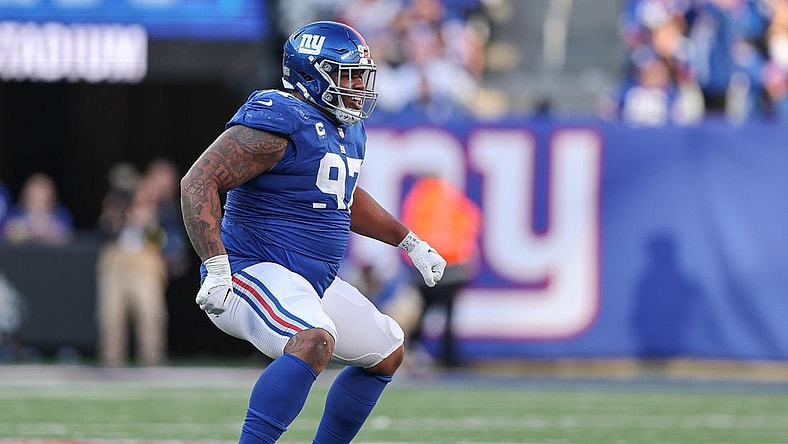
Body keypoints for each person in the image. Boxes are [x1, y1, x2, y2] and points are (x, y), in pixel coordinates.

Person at [179, 21, 447, 444]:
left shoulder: (349, 129)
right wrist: (216, 265)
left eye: (362, 74)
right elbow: (198, 182)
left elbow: (340, 195)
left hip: (307, 281)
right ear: (310, 74)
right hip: (250, 270)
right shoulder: (281, 117)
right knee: (313, 339)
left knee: (387, 349)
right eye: (347, 74)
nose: (359, 84)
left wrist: (408, 241)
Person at [400, 174, 482, 368]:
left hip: (426, 267)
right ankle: (449, 357)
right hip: (453, 268)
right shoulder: (451, 197)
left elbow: (409, 231)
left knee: (421, 313)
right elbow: (470, 220)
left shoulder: (419, 198)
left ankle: (412, 352)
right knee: (448, 315)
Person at [95, 169, 169, 367]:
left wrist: (146, 222)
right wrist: (118, 214)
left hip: (144, 265)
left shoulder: (157, 211)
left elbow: (162, 243)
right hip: (116, 264)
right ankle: (111, 362)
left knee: (150, 315)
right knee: (111, 317)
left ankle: (152, 361)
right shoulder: (114, 207)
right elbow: (105, 233)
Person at [2, 173, 73, 246]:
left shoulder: (61, 215)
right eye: (34, 200)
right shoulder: (15, 213)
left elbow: (66, 237)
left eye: (43, 201)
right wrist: (30, 230)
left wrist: (48, 229)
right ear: (26, 198)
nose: (38, 206)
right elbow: (7, 234)